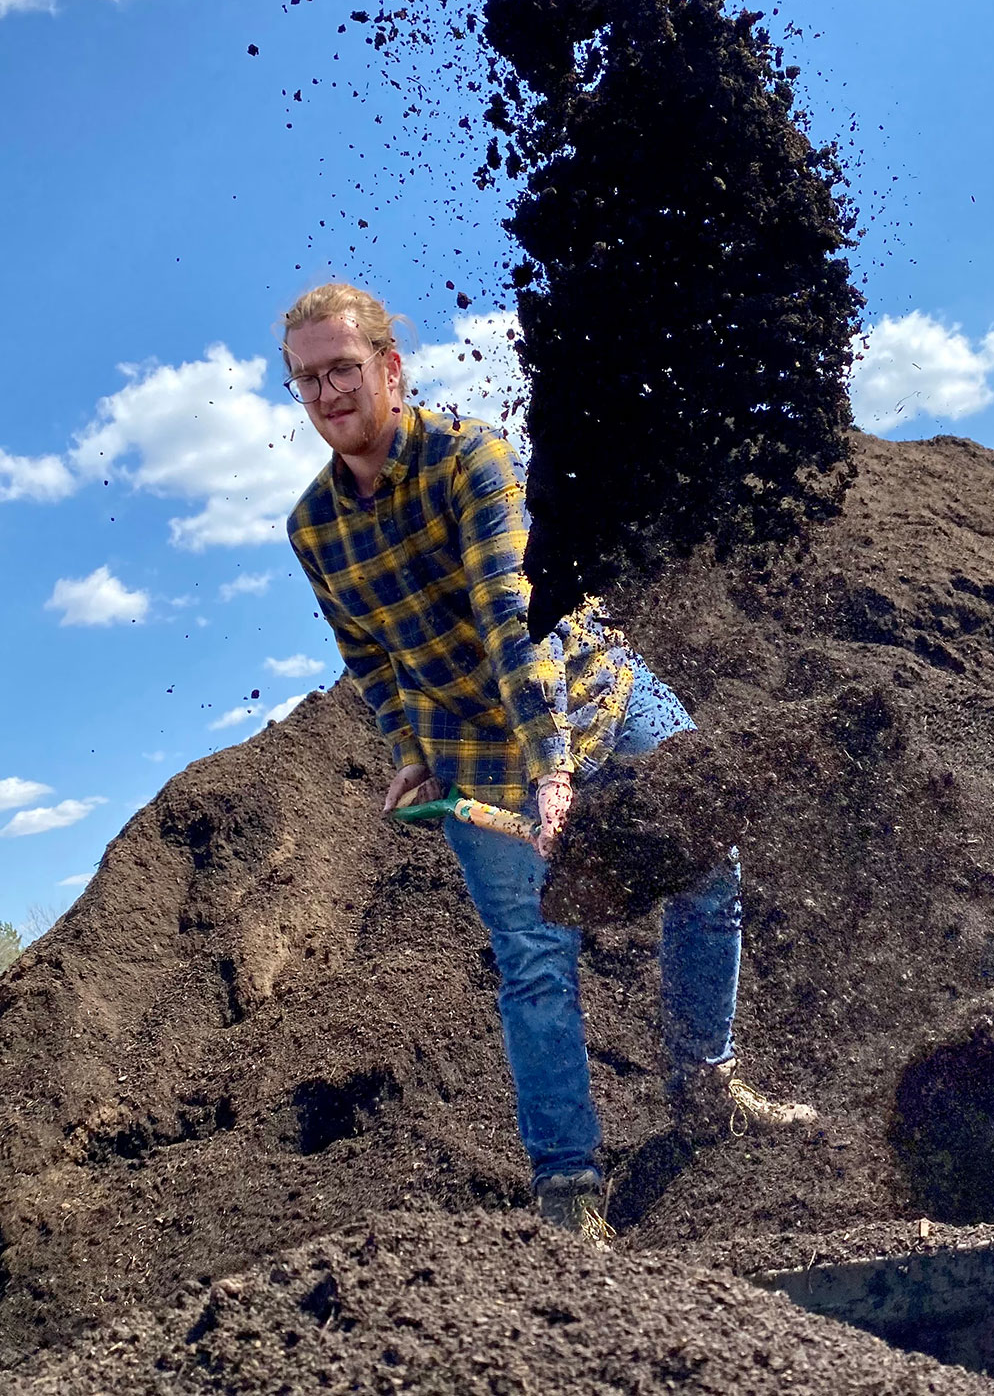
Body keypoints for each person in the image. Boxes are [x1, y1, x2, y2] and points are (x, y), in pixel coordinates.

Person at [284, 283, 816, 1240]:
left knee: (709, 855)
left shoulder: (472, 459)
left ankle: (707, 1083)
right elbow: (366, 656)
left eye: (344, 369)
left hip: (595, 690)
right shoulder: (313, 527)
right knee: (535, 959)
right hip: (472, 754)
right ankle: (569, 1188)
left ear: (390, 371)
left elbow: (511, 617)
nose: (328, 394)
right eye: (307, 379)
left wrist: (555, 764)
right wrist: (408, 752)